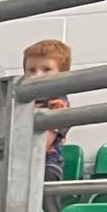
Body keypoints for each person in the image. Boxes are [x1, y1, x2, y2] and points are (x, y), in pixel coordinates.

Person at [22, 38, 73, 184]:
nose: (37, 75)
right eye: (31, 70)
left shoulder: (57, 102)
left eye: (46, 69)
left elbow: (42, 144)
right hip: (21, 162)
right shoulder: (24, 101)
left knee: (46, 181)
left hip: (45, 164)